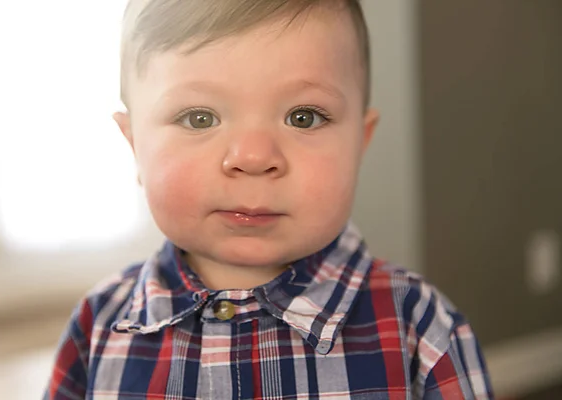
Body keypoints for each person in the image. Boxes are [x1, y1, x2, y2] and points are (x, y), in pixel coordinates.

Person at [44, 0, 493, 398]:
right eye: (199, 117)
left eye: (303, 116)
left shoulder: (421, 329)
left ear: (360, 141)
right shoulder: (97, 328)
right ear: (135, 147)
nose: (254, 157)